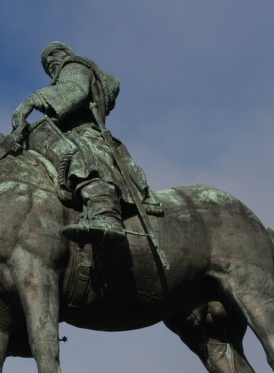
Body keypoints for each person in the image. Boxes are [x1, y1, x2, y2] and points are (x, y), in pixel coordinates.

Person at [12, 41, 163, 245]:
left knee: (82, 158)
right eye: (47, 64)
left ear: (65, 54)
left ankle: (106, 213)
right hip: (66, 133)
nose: (51, 64)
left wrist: (32, 101)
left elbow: (76, 90)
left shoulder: (75, 66)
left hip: (85, 133)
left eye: (53, 56)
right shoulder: (63, 75)